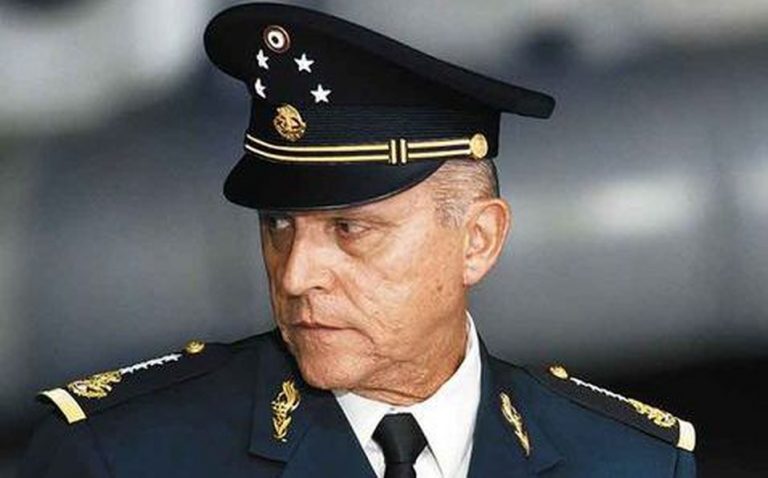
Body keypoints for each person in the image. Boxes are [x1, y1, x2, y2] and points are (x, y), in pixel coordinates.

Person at [20, 3, 696, 477]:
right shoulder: (120, 457)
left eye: (350, 229)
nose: (294, 276)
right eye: (278, 225)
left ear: (478, 241)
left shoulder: (631, 462)